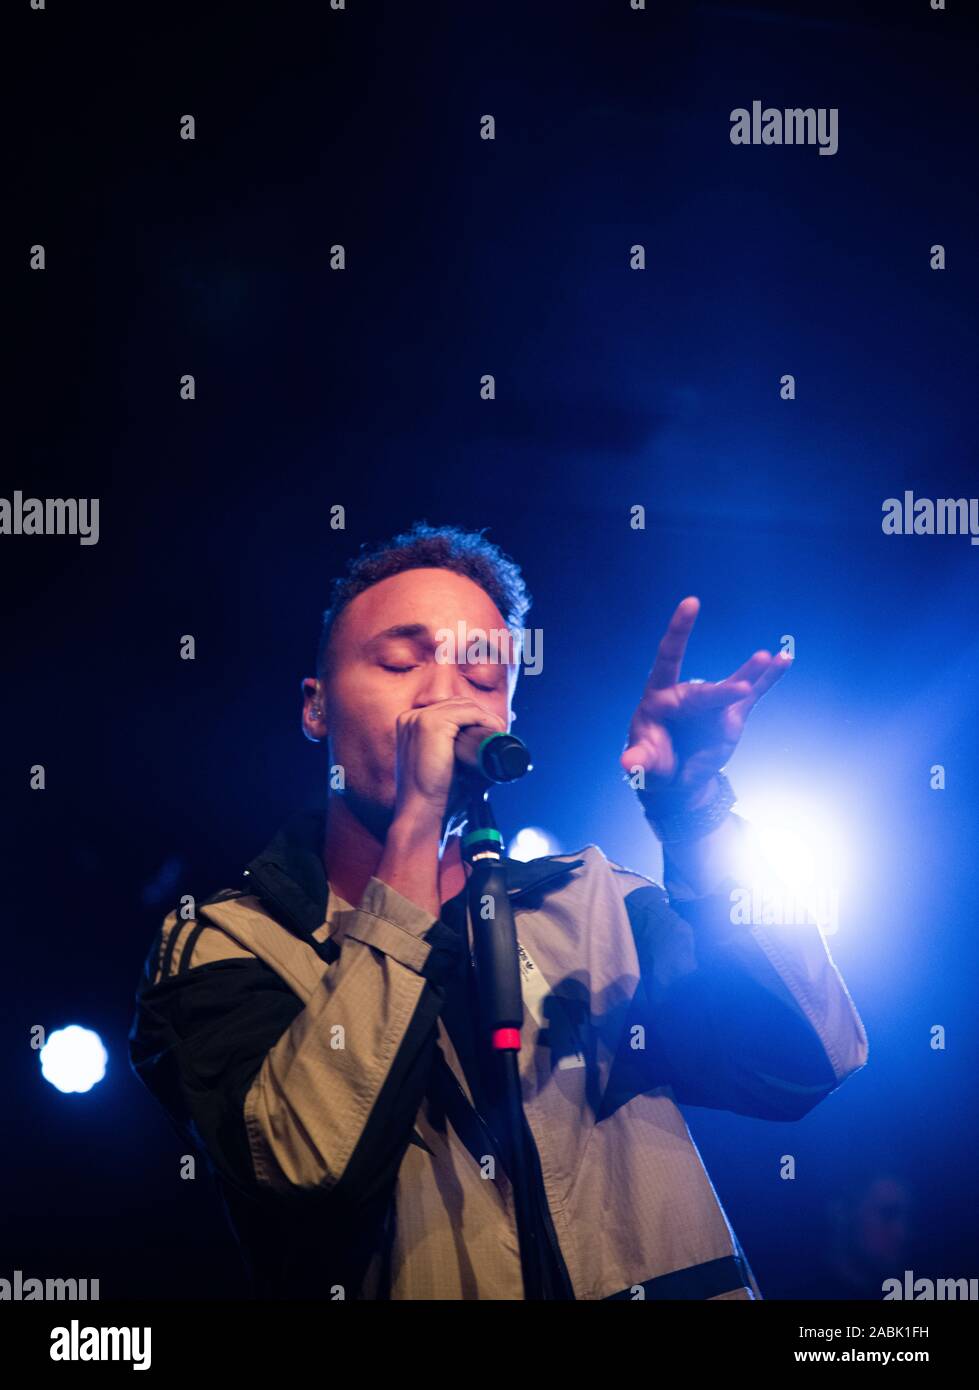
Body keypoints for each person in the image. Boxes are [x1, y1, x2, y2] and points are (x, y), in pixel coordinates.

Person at [128, 522, 869, 1300]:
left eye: (482, 676)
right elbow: (305, 1169)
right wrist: (417, 830)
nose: (445, 694)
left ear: (509, 719)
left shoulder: (594, 902)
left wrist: (694, 814)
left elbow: (810, 1059)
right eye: (401, 661)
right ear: (315, 708)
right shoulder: (225, 940)